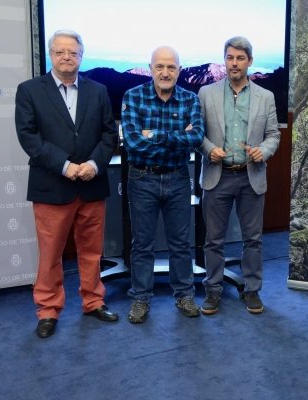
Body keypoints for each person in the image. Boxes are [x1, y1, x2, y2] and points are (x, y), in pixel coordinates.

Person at [15, 30, 119, 338]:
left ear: (81, 56)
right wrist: (65, 165)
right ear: (51, 54)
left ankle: (93, 301)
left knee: (91, 251)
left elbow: (108, 134)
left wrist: (92, 164)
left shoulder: (98, 90)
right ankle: (48, 309)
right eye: (60, 52)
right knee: (50, 254)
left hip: (91, 183)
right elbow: (29, 137)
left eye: (72, 52)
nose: (66, 57)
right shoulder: (30, 90)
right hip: (51, 185)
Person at [121, 46, 204, 323]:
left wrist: (153, 135)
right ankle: (140, 299)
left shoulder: (190, 99)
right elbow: (133, 143)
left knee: (180, 243)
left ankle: (184, 295)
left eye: (171, 67)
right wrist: (176, 136)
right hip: (141, 178)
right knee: (142, 244)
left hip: (178, 177)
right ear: (150, 68)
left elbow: (196, 139)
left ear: (179, 70)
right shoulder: (132, 97)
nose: (165, 72)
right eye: (160, 67)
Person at [198, 36, 280, 315]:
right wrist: (209, 149)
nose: (234, 63)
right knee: (213, 240)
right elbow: (197, 134)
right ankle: (213, 290)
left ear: (250, 62)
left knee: (253, 240)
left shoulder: (265, 97)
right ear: (225, 60)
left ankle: (252, 290)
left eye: (240, 58)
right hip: (217, 176)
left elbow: (273, 135)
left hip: (250, 176)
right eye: (230, 57)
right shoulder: (206, 94)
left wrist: (264, 151)